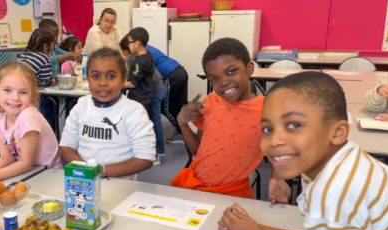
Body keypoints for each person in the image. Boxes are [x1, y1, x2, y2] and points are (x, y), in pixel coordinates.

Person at [218, 71, 388, 230]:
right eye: (268, 129)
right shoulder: (338, 161)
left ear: (337, 132)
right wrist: (255, 227)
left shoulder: (336, 191)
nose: (275, 140)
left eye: (294, 125)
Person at [171, 38, 290, 200]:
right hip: (194, 185)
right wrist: (182, 124)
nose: (224, 82)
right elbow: (198, 151)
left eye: (231, 71)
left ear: (249, 68)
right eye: (214, 79)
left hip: (233, 192)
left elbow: (279, 147)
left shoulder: (267, 110)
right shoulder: (210, 102)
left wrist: (277, 177)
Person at [60, 48, 156, 180]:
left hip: (120, 186)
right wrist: (86, 169)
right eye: (96, 76)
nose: (103, 83)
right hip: (86, 181)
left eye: (111, 76)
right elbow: (66, 146)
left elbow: (146, 158)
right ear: (87, 79)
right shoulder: (81, 106)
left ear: (123, 79)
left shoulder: (134, 111)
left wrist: (101, 171)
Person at [0, 61, 61, 182]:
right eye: (7, 90)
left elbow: (26, 162)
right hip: (26, 172)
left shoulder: (28, 117)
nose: (15, 98)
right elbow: (6, 158)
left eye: (23, 92)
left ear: (31, 95)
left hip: (48, 175)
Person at [119, 35, 165, 165]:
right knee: (152, 120)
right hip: (156, 87)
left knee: (149, 122)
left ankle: (155, 153)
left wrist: (119, 83)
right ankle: (157, 152)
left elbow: (133, 82)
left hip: (151, 90)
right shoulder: (145, 55)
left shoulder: (134, 59)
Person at [146, 45, 188, 144]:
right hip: (180, 70)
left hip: (171, 75)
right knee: (180, 105)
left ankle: (182, 132)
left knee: (165, 108)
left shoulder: (140, 54)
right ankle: (182, 132)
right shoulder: (148, 47)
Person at [124, 27, 155, 110]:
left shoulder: (139, 62)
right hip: (145, 97)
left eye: (129, 42)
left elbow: (133, 83)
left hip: (139, 99)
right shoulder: (148, 55)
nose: (128, 45)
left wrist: (119, 84)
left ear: (137, 43)